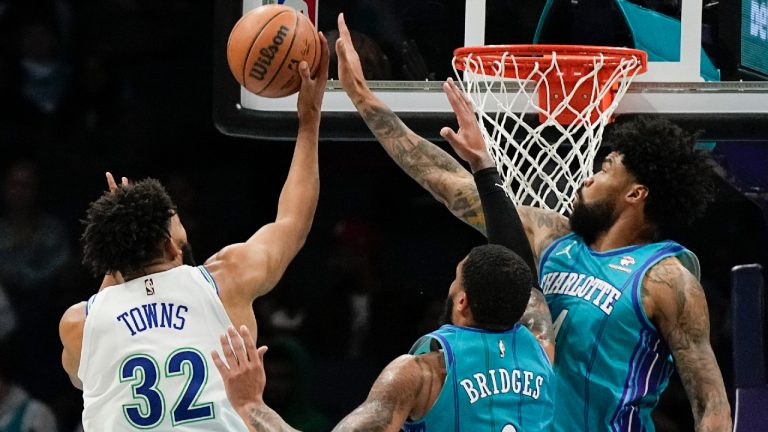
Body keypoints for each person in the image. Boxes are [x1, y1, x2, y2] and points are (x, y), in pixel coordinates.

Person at [335, 11, 731, 432]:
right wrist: (364, 98)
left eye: (609, 167)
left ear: (636, 193)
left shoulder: (666, 278)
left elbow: (713, 408)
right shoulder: (552, 237)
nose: (591, 174)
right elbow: (449, 183)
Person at [57, 33, 329, 431]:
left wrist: (120, 240)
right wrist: (309, 122)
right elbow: (293, 221)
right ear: (170, 245)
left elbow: (81, 378)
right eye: (175, 218)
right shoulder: (226, 280)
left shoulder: (77, 323)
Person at [214, 243, 553, 432]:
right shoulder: (542, 349)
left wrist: (250, 404)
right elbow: (523, 286)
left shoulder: (422, 373)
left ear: (461, 300)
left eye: (455, 279)